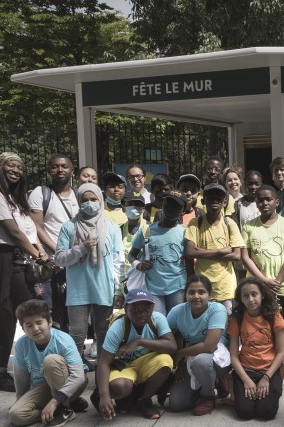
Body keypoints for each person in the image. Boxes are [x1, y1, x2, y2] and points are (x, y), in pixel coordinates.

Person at [0, 151, 47, 391]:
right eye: (10, 165)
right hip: (1, 259)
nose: (16, 170)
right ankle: (0, 373)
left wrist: (39, 249)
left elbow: (28, 229)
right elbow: (12, 233)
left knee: (32, 309)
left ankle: (39, 365)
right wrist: (37, 256)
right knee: (6, 313)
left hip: (21, 259)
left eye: (19, 167)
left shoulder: (15, 198)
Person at [53, 183, 123, 364]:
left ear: (100, 200)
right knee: (77, 334)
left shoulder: (111, 227)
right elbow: (59, 259)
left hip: (103, 288)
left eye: (93, 199)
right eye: (85, 200)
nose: (89, 203)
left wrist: (117, 290)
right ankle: (75, 372)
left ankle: (102, 372)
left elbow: (118, 261)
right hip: (78, 290)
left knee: (103, 333)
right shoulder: (69, 227)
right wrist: (81, 249)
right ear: (78, 201)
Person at [241, 184, 284, 376]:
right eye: (260, 199)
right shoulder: (249, 226)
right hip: (256, 288)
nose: (264, 203)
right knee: (258, 325)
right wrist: (263, 282)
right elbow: (245, 257)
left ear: (277, 201)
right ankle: (260, 362)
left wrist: (276, 282)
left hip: (281, 287)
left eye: (268, 199)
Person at [94, 289, 177, 420]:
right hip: (123, 366)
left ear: (152, 308)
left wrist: (139, 341)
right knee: (120, 387)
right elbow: (104, 363)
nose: (141, 314)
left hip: (145, 363)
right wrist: (104, 395)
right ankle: (108, 397)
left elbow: (172, 347)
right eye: (135, 310)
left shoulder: (157, 319)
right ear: (126, 309)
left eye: (146, 309)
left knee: (166, 361)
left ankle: (144, 400)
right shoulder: (117, 328)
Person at [8, 299, 88, 427]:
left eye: (39, 322)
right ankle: (58, 408)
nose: (35, 328)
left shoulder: (63, 340)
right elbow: (21, 377)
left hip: (71, 382)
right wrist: (21, 401)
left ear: (50, 322)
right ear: (23, 328)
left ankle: (62, 408)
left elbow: (78, 376)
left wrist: (55, 400)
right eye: (29, 325)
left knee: (51, 361)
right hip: (43, 387)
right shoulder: (22, 345)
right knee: (16, 415)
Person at [167, 276, 230, 415]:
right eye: (191, 292)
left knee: (200, 361)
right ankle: (205, 383)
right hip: (191, 358)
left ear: (210, 295)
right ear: (185, 294)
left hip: (217, 359)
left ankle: (208, 395)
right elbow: (166, 337)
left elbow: (209, 345)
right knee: (176, 403)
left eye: (201, 292)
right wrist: (180, 364)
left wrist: (180, 354)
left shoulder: (217, 310)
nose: (196, 296)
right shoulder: (177, 311)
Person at [28, 153, 78, 329]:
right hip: (51, 263)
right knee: (50, 310)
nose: (60, 170)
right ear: (49, 170)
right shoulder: (40, 193)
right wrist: (58, 251)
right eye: (55, 166)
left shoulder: (79, 195)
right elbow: (36, 227)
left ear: (72, 170)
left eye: (64, 166)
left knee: (72, 310)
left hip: (76, 263)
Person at [228, 278, 284, 420]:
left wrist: (266, 378)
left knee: (266, 412)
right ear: (240, 299)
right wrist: (246, 380)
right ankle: (237, 390)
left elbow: (280, 353)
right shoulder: (237, 319)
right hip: (246, 370)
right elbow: (234, 356)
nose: (250, 299)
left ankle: (261, 395)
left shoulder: (274, 316)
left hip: (269, 370)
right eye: (245, 296)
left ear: (262, 295)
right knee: (244, 413)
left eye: (254, 294)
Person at [184, 183, 244, 311]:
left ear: (225, 202)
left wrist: (200, 251)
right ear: (204, 200)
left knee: (226, 323)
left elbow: (236, 256)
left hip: (225, 286)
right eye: (211, 197)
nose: (215, 200)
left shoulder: (230, 224)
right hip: (201, 286)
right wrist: (220, 251)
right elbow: (189, 252)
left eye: (219, 198)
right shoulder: (196, 223)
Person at [127, 192, 187, 314]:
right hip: (153, 288)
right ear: (162, 205)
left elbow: (189, 261)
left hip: (178, 288)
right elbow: (131, 255)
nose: (170, 208)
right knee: (158, 323)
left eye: (176, 207)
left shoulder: (185, 232)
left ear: (183, 211)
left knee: (176, 323)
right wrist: (138, 264)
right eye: (167, 204)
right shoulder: (146, 230)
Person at [100, 171, 129, 238]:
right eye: (112, 186)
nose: (116, 189)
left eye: (120, 186)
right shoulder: (99, 208)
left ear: (126, 190)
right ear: (105, 190)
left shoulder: (130, 209)